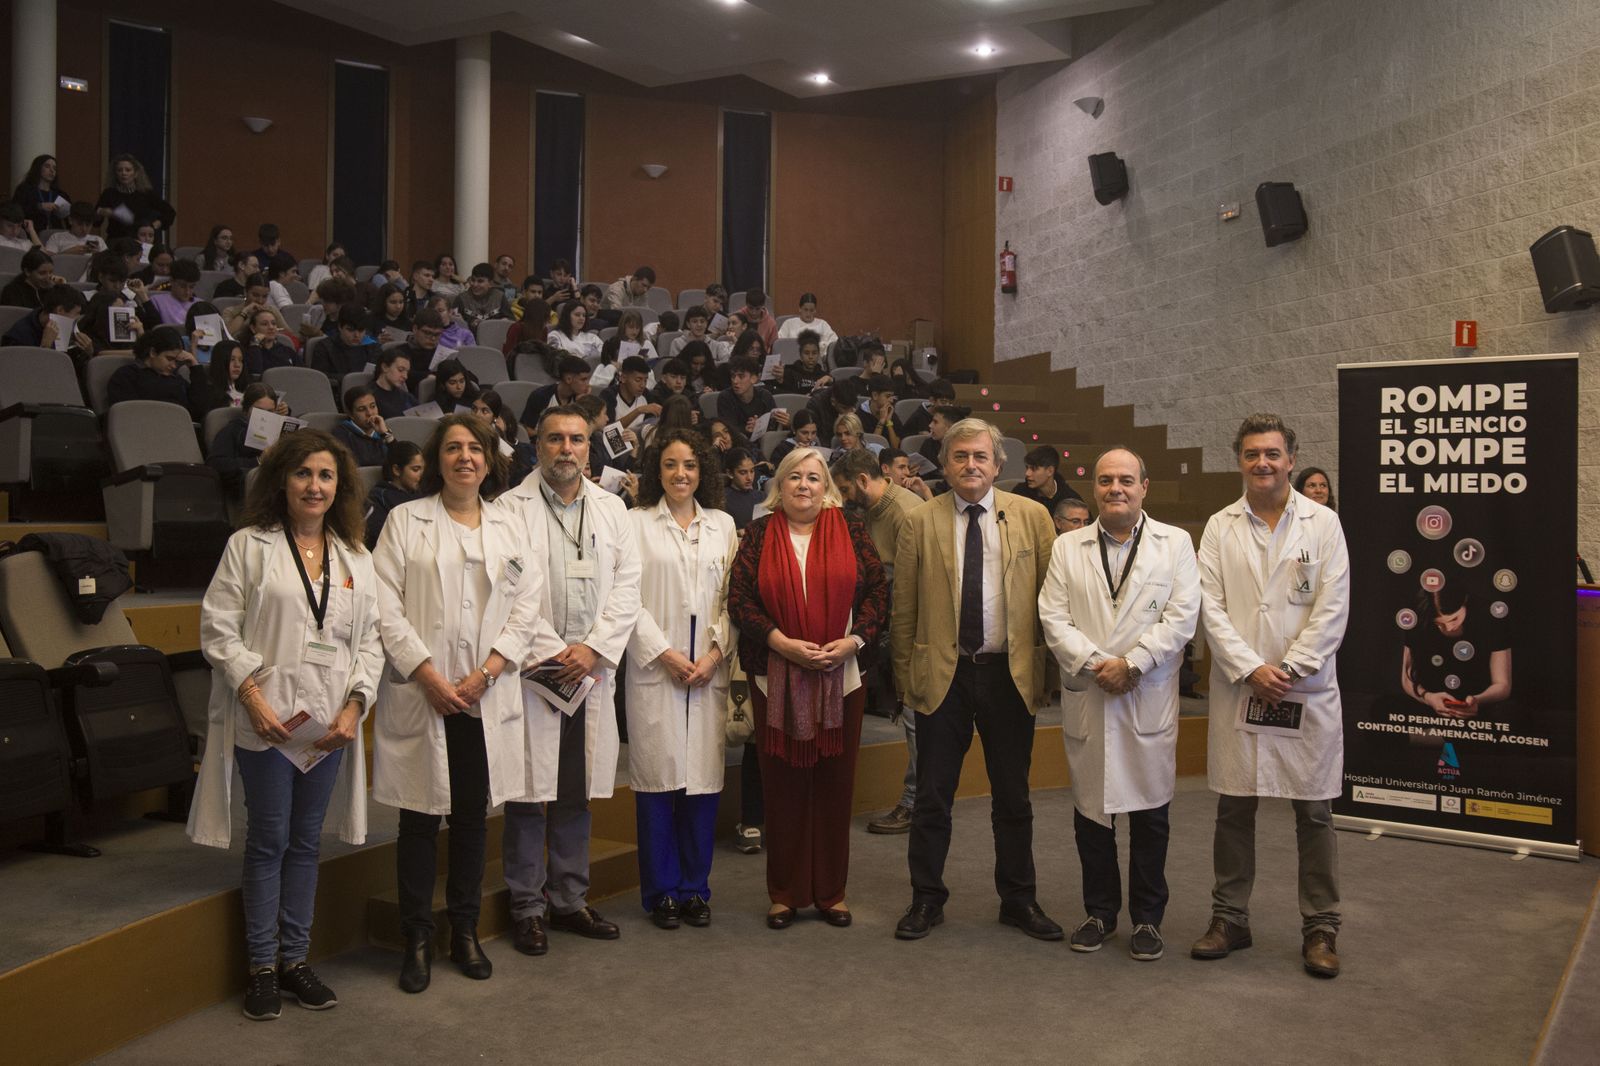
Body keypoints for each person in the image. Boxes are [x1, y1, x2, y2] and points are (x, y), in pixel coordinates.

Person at [187, 427, 382, 1020]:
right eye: (303, 474)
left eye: (326, 476)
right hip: (268, 725)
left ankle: (296, 961)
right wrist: (251, 695)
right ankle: (263, 967)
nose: (315, 486)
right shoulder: (249, 546)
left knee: (305, 844)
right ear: (282, 482)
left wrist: (354, 708)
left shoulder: (355, 556)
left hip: (328, 731)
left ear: (339, 486)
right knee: (269, 841)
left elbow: (369, 642)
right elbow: (218, 626)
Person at [372, 414, 547, 993]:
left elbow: (526, 607)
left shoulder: (510, 524)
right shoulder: (404, 520)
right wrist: (427, 673)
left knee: (472, 819)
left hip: (481, 696)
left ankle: (465, 930)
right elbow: (384, 606)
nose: (465, 457)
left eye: (474, 448)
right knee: (418, 821)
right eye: (452, 448)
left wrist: (487, 672)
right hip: (426, 695)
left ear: (489, 460)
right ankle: (417, 937)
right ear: (435, 458)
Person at [891, 418, 1062, 942]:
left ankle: (1018, 899)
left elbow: (1053, 604)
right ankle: (926, 898)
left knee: (1013, 796)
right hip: (943, 676)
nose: (971, 465)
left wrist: (1048, 675)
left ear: (998, 464)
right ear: (944, 465)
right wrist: (905, 681)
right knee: (933, 797)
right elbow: (904, 611)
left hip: (1010, 676)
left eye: (980, 457)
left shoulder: (1033, 518)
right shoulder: (920, 521)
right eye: (960, 456)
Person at [1192, 413, 1350, 979]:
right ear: (1240, 459)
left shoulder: (1324, 524)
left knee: (1314, 811)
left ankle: (1321, 926)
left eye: (1273, 454)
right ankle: (1230, 918)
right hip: (1244, 687)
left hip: (1302, 688)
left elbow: (1333, 607)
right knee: (1235, 806)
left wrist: (1287, 667)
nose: (1263, 463)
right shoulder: (1219, 526)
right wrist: (1250, 667)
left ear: (1290, 458)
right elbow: (1207, 605)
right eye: (1252, 453)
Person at [1038, 447, 1201, 962]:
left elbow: (1182, 616)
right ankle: (1100, 913)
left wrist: (1133, 663)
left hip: (1145, 693)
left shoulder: (1174, 544)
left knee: (1151, 816)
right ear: (1095, 488)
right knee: (1092, 815)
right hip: (1091, 694)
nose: (1116, 489)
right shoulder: (1069, 547)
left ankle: (1148, 920)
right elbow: (1053, 617)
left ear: (1144, 487)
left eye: (1126, 480)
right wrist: (1095, 664)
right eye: (1106, 480)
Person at [500, 405, 643, 958]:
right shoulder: (508, 509)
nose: (566, 449)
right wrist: (555, 653)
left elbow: (629, 586)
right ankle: (526, 906)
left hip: (591, 669)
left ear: (591, 448)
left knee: (575, 790)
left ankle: (569, 899)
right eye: (555, 438)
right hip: (533, 669)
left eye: (577, 439)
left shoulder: (613, 509)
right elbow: (507, 587)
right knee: (528, 792)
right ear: (537, 444)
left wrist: (593, 649)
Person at [726, 448, 888, 929]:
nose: (804, 485)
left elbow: (879, 591)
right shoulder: (759, 534)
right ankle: (785, 893)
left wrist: (853, 641)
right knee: (784, 787)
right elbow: (740, 600)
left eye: (814, 478)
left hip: (843, 675)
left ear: (827, 487)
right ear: (779, 485)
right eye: (794, 476)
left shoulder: (852, 531)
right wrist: (782, 644)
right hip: (774, 673)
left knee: (835, 786)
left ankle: (830, 893)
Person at [625, 429, 738, 929]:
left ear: (702, 471)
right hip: (657, 669)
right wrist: (664, 654)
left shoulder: (724, 525)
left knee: (702, 785)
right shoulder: (634, 525)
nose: (680, 474)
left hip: (708, 672)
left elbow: (735, 599)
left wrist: (715, 654)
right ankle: (661, 892)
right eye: (670, 465)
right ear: (657, 471)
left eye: (689, 465)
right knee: (657, 785)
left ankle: (695, 888)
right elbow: (624, 600)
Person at [830, 448, 924, 835]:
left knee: (917, 719)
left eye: (846, 489)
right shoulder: (867, 511)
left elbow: (910, 584)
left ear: (865, 481)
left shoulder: (906, 511)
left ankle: (915, 803)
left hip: (908, 626)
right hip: (881, 621)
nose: (844, 497)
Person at [106, 325, 204, 413]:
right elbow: (126, 413)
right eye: (169, 359)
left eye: (176, 361)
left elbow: (199, 410)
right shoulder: (126, 376)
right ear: (153, 352)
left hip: (178, 429)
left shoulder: (176, 379)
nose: (174, 366)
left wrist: (195, 366)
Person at [206, 384, 282, 496]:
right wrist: (258, 461)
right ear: (246, 410)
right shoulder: (233, 430)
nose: (264, 417)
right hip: (247, 488)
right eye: (259, 411)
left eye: (270, 412)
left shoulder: (279, 430)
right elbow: (215, 464)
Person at [95, 154, 174, 240]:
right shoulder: (109, 193)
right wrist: (101, 212)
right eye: (119, 170)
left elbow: (169, 212)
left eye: (128, 170)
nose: (123, 173)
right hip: (117, 240)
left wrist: (153, 226)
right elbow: (96, 222)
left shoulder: (146, 193)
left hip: (141, 241)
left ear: (135, 173)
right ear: (115, 174)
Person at [364, 440, 423, 548]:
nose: (422, 475)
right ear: (396, 470)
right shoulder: (379, 498)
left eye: (423, 469)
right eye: (415, 469)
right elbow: (381, 540)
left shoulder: (422, 494)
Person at [311, 305, 378, 396]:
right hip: (335, 394)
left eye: (361, 330)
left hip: (369, 394)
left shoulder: (372, 347)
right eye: (350, 330)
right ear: (340, 327)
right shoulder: (324, 347)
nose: (357, 335)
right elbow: (319, 377)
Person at [717, 355, 790, 436]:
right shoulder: (725, 397)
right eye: (733, 376)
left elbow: (773, 428)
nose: (735, 381)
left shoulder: (765, 396)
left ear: (754, 379)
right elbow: (728, 430)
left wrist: (785, 423)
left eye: (741, 376)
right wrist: (746, 429)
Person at [517, 354, 592, 430]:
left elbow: (586, 429)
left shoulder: (579, 397)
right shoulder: (541, 396)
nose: (588, 384)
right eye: (583, 379)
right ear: (568, 379)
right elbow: (527, 430)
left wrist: (582, 403)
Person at [594, 311, 656, 392]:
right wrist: (613, 364)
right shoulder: (612, 342)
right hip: (620, 375)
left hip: (640, 375)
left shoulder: (645, 343)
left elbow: (654, 362)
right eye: (631, 327)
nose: (634, 331)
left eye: (637, 328)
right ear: (623, 327)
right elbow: (605, 361)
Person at [335, 386, 395, 467]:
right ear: (350, 414)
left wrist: (386, 434)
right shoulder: (341, 434)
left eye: (373, 406)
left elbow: (400, 462)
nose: (370, 413)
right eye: (361, 409)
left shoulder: (382, 432)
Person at [11, 154, 70, 233]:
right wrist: (39, 206)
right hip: (30, 233)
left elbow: (70, 218)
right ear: (38, 168)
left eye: (54, 168)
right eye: (47, 166)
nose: (52, 171)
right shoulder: (24, 190)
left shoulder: (60, 194)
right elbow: (15, 211)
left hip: (55, 235)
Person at [1017, 445, 1085, 511]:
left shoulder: (1070, 499)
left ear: (1050, 471)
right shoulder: (1020, 493)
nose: (1027, 473)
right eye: (1027, 468)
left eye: (1033, 469)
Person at [242, 308, 299, 376]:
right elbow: (255, 375)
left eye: (274, 323)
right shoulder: (246, 351)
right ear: (253, 328)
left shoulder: (287, 351)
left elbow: (306, 375)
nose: (271, 327)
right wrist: (255, 344)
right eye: (264, 324)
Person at [455, 263, 507, 331]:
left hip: (495, 337)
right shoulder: (461, 298)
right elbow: (453, 325)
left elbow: (510, 321)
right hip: (469, 338)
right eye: (473, 280)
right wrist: (464, 323)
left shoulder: (500, 297)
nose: (475, 284)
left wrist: (503, 321)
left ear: (490, 283)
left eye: (480, 281)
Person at [148, 259, 201, 326]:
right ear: (171, 281)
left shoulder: (200, 304)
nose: (187, 292)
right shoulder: (157, 301)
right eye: (182, 286)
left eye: (191, 287)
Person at [370, 349, 417, 421]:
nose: (405, 376)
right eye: (400, 370)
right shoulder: (368, 396)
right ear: (385, 367)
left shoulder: (406, 396)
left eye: (407, 372)